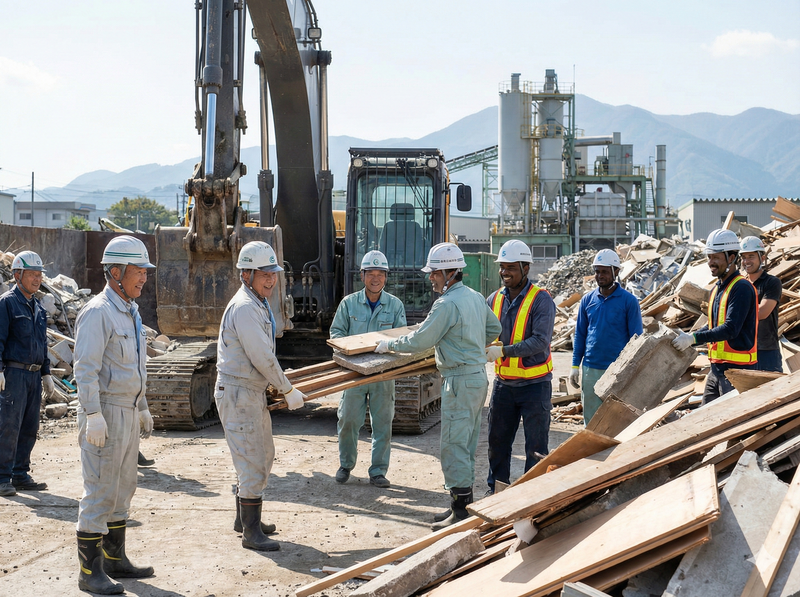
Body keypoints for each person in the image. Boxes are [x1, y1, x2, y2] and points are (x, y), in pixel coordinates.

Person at [375, 242, 501, 529]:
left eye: (434, 273)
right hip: (476, 377)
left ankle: (460, 512)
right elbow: (495, 329)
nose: (430, 278)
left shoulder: (446, 304)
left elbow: (421, 340)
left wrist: (389, 345)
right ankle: (461, 505)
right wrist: (470, 344)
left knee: (453, 446)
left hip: (458, 380)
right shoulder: (474, 296)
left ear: (449, 273)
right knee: (465, 443)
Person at [73, 235, 156, 595]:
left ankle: (115, 559)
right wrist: (92, 413)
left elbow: (135, 365)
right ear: (117, 272)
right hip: (104, 411)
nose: (144, 278)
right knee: (101, 490)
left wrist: (142, 406)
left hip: (127, 409)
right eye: (139, 271)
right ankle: (89, 573)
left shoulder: (130, 311)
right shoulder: (98, 312)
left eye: (146, 272)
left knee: (123, 488)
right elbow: (85, 369)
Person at [214, 240, 307, 552]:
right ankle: (251, 533)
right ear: (246, 275)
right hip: (239, 392)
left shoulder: (257, 302)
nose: (271, 279)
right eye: (264, 274)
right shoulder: (244, 307)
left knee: (261, 454)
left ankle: (244, 519)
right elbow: (262, 356)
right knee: (252, 458)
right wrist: (287, 388)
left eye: (273, 273)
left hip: (249, 390)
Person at [484, 240, 556, 496]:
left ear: (526, 268)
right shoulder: (494, 299)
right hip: (504, 386)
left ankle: (530, 497)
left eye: (511, 267)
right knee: (497, 444)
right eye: (502, 267)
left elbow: (540, 341)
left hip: (535, 387)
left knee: (535, 448)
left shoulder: (541, 300)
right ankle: (496, 492)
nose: (505, 272)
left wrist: (504, 351)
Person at [330, 250, 406, 488]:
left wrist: (388, 349)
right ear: (362, 276)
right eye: (370, 274)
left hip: (383, 375)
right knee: (348, 420)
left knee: (382, 424)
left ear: (386, 277)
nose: (375, 278)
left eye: (380, 274)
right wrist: (351, 349)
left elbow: (402, 338)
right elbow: (336, 333)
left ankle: (378, 471)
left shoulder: (395, 306)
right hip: (354, 374)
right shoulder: (348, 304)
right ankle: (346, 465)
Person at [673, 229, 758, 402]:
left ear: (731, 258)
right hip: (717, 369)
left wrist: (694, 338)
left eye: (716, 258)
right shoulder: (717, 289)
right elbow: (713, 325)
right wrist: (690, 337)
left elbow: (730, 329)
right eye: (709, 257)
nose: (711, 262)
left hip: (738, 372)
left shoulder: (741, 288)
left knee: (731, 418)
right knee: (705, 413)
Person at [0, 251, 55, 497]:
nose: (37, 279)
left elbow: (42, 343)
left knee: (30, 426)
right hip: (13, 374)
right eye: (32, 274)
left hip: (33, 376)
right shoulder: (7, 303)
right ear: (17, 275)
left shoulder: (38, 307)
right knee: (8, 426)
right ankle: (2, 477)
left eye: (39, 275)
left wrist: (46, 373)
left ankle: (20, 475)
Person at [571, 248, 643, 424]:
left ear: (615, 271)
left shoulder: (629, 301)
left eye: (604, 272)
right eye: (597, 271)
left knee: (617, 420)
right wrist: (574, 366)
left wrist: (633, 371)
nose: (600, 276)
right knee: (591, 420)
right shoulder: (587, 300)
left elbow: (636, 339)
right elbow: (580, 334)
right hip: (591, 369)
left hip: (618, 370)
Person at [740, 236, 783, 372]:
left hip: (766, 352)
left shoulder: (772, 282)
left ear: (762, 258)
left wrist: (735, 313)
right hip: (743, 351)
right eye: (743, 257)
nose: (746, 261)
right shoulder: (740, 285)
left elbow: (762, 312)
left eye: (751, 256)